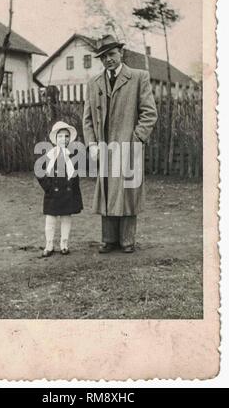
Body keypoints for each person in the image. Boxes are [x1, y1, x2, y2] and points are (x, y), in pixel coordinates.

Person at [83, 34, 158, 253]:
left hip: (128, 144)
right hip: (104, 147)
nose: (108, 59)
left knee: (128, 191)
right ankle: (108, 240)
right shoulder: (94, 82)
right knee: (107, 190)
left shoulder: (138, 77)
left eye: (112, 54)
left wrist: (136, 139)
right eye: (103, 56)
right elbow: (87, 118)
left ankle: (127, 241)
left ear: (121, 53)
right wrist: (92, 145)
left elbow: (149, 114)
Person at [36, 121, 83, 257]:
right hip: (53, 193)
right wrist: (48, 188)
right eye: (60, 136)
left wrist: (73, 188)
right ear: (55, 138)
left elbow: (76, 174)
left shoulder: (73, 155)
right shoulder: (49, 155)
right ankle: (49, 245)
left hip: (68, 193)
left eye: (66, 136)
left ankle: (64, 244)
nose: (64, 139)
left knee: (66, 217)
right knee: (50, 219)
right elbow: (40, 172)